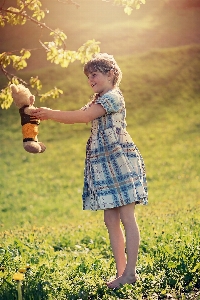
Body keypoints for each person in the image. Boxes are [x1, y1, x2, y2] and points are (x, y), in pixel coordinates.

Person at [32, 53, 148, 289]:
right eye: (88, 76)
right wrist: (42, 113)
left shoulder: (113, 97)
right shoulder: (98, 98)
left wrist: (48, 113)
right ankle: (121, 273)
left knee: (127, 217)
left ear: (110, 74)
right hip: (103, 164)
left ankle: (130, 272)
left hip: (119, 161)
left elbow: (83, 117)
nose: (90, 79)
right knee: (110, 219)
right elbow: (75, 115)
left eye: (94, 74)